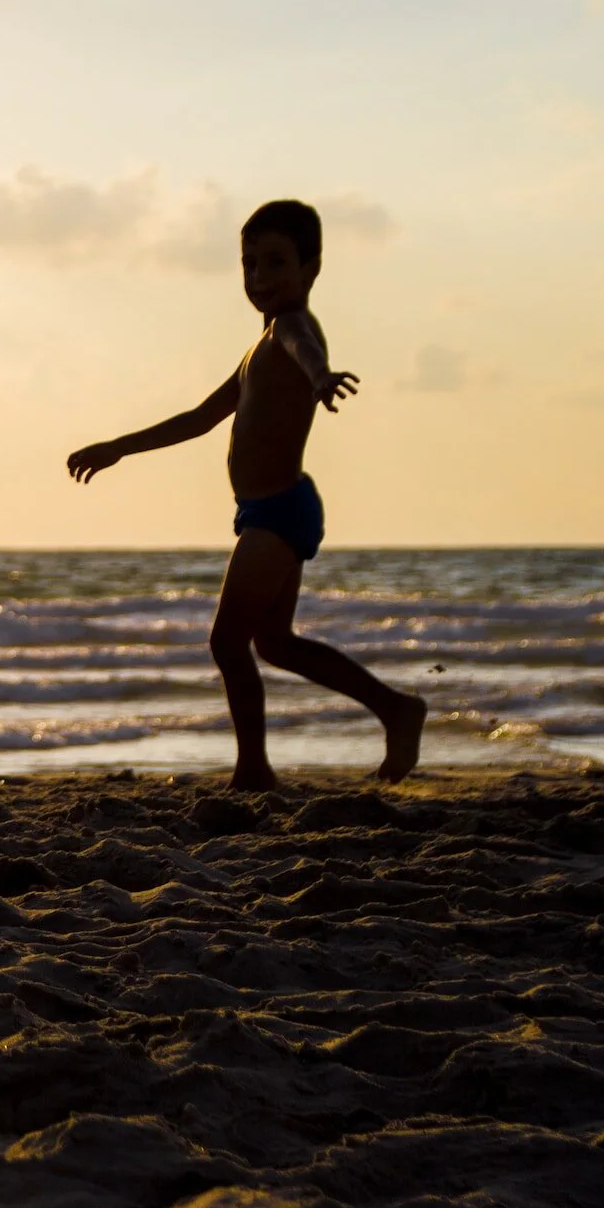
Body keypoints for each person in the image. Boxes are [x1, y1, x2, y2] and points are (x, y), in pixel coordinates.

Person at [66, 199, 424, 791]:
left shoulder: (291, 328)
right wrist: (119, 447)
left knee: (227, 640)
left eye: (277, 263)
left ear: (312, 268)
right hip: (265, 511)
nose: (261, 278)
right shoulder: (254, 348)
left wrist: (320, 379)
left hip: (279, 511)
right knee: (274, 643)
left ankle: (253, 769)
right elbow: (202, 417)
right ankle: (395, 709)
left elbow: (306, 352)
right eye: (250, 264)